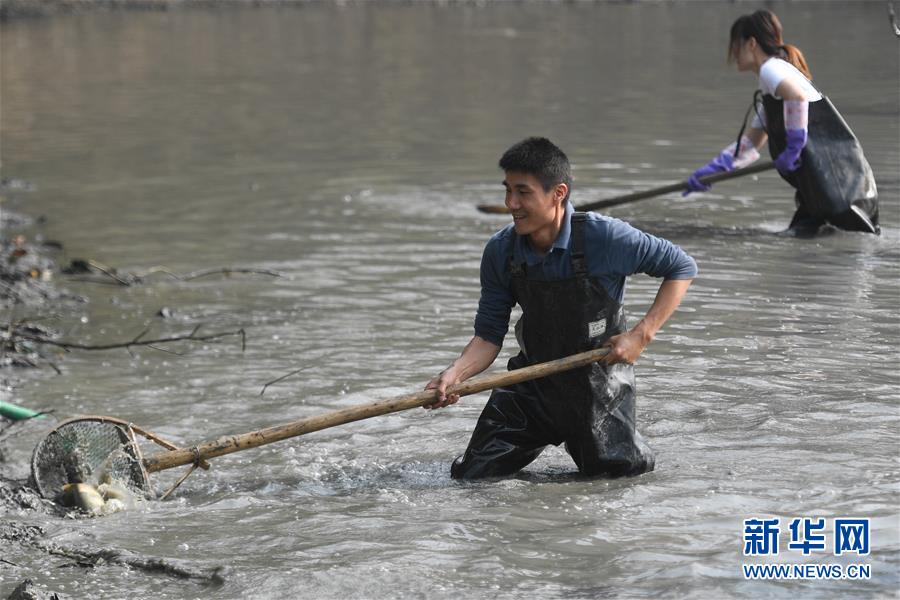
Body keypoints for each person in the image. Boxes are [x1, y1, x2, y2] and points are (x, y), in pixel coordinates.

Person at [425, 137, 697, 480]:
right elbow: (488, 337)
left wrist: (641, 335)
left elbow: (682, 267)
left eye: (523, 192)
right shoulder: (501, 251)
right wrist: (455, 375)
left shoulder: (606, 238)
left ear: (558, 193)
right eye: (507, 190)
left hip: (598, 386)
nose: (511, 204)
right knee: (472, 477)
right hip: (532, 383)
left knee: (617, 479)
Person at [684, 9, 879, 235]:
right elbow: (750, 144)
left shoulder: (771, 69)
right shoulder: (772, 86)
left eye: (735, 45)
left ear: (751, 43)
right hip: (824, 190)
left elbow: (797, 97)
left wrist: (794, 147)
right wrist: (711, 171)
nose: (733, 53)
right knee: (801, 242)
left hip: (840, 190)